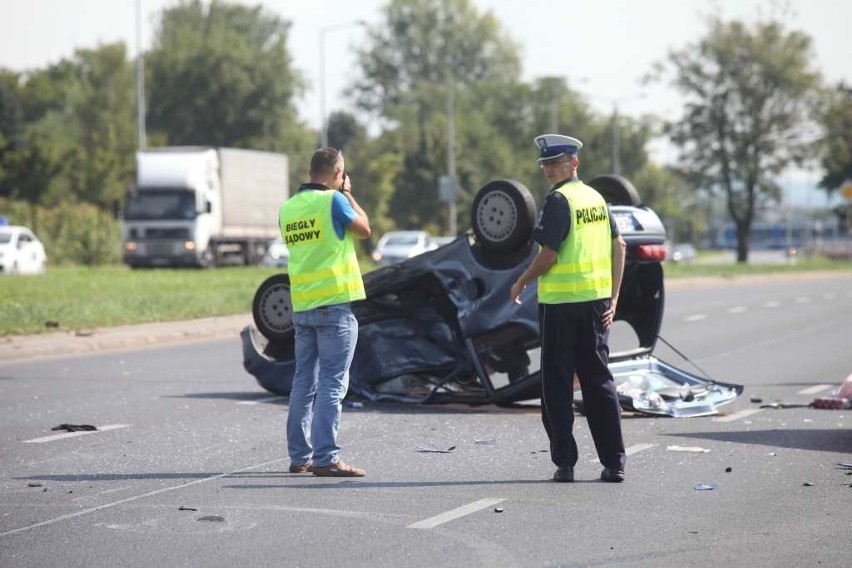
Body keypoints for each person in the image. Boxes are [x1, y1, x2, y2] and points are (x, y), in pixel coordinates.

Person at [509, 134, 627, 483]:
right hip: (594, 306)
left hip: (561, 307)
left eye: (555, 163)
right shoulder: (596, 198)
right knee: (599, 383)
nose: (548, 170)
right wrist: (614, 297)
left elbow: (549, 255)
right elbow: (619, 246)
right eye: (545, 164)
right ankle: (614, 462)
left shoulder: (559, 200)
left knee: (557, 386)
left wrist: (522, 281)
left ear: (574, 163)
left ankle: (565, 462)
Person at [280, 147, 371, 477]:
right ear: (337, 172)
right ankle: (326, 458)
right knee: (333, 383)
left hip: (303, 306)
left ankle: (299, 456)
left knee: (303, 383)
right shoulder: (334, 201)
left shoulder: (288, 208)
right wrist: (349, 194)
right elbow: (364, 228)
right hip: (334, 305)